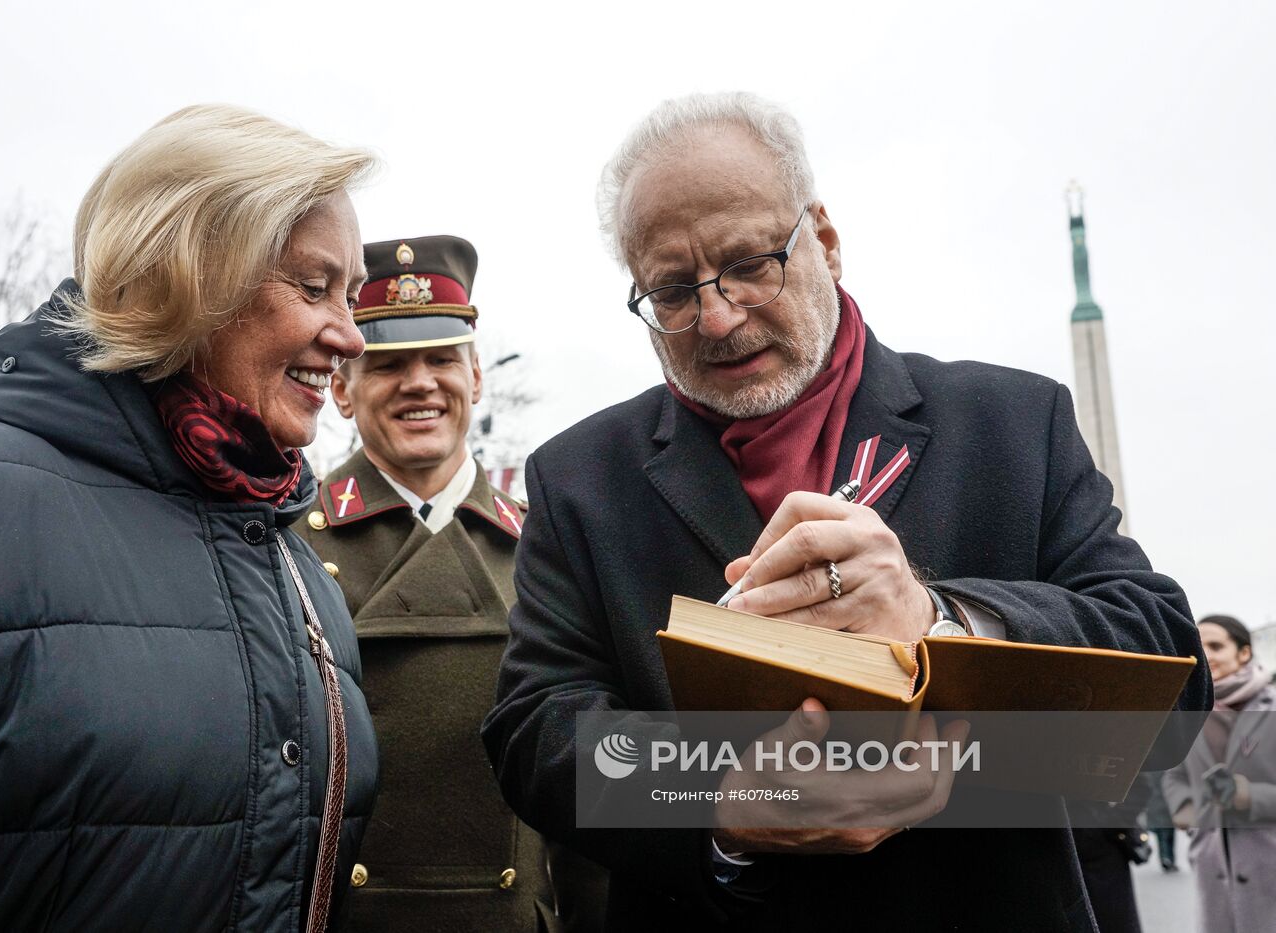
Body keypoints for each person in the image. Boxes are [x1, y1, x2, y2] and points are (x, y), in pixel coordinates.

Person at [481, 92, 1211, 931]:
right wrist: (717, 803)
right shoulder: (579, 477)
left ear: (823, 239)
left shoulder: (1014, 422)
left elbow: (1169, 686)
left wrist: (942, 622)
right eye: (673, 291)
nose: (718, 318)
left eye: (750, 262)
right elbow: (535, 730)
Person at [0, 105, 379, 931]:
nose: (352, 337)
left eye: (350, 296)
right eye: (314, 286)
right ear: (186, 270)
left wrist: (672, 787)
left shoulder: (297, 570)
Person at [302, 235, 606, 932]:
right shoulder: (290, 548)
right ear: (343, 390)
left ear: (476, 377)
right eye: (388, 365)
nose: (420, 382)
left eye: (442, 359)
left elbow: (590, 791)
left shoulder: (550, 551)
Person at [1164, 615, 1276, 933]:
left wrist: (1248, 796)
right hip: (1213, 868)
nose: (1207, 655)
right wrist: (1185, 809)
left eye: (1217, 646)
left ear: (1244, 653)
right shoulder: (1190, 714)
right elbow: (1175, 776)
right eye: (1201, 646)